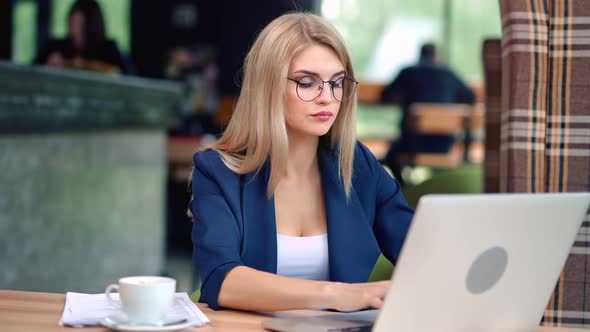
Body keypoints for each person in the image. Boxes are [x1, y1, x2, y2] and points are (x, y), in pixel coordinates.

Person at [190, 12, 414, 312]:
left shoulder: (357, 165)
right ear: (267, 87)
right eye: (307, 83)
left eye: (337, 83)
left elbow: (420, 253)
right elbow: (223, 280)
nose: (327, 98)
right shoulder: (218, 171)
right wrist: (340, 295)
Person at [380, 43, 475, 184]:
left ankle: (405, 187)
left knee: (389, 157)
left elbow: (385, 95)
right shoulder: (448, 73)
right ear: (437, 57)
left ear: (420, 55)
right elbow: (470, 97)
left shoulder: (408, 72)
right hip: (444, 143)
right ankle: (432, 186)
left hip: (412, 143)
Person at [34, 0, 127, 74]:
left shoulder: (109, 51)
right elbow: (31, 71)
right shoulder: (56, 47)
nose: (75, 31)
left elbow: (129, 78)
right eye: (72, 25)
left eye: (81, 26)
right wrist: (47, 66)